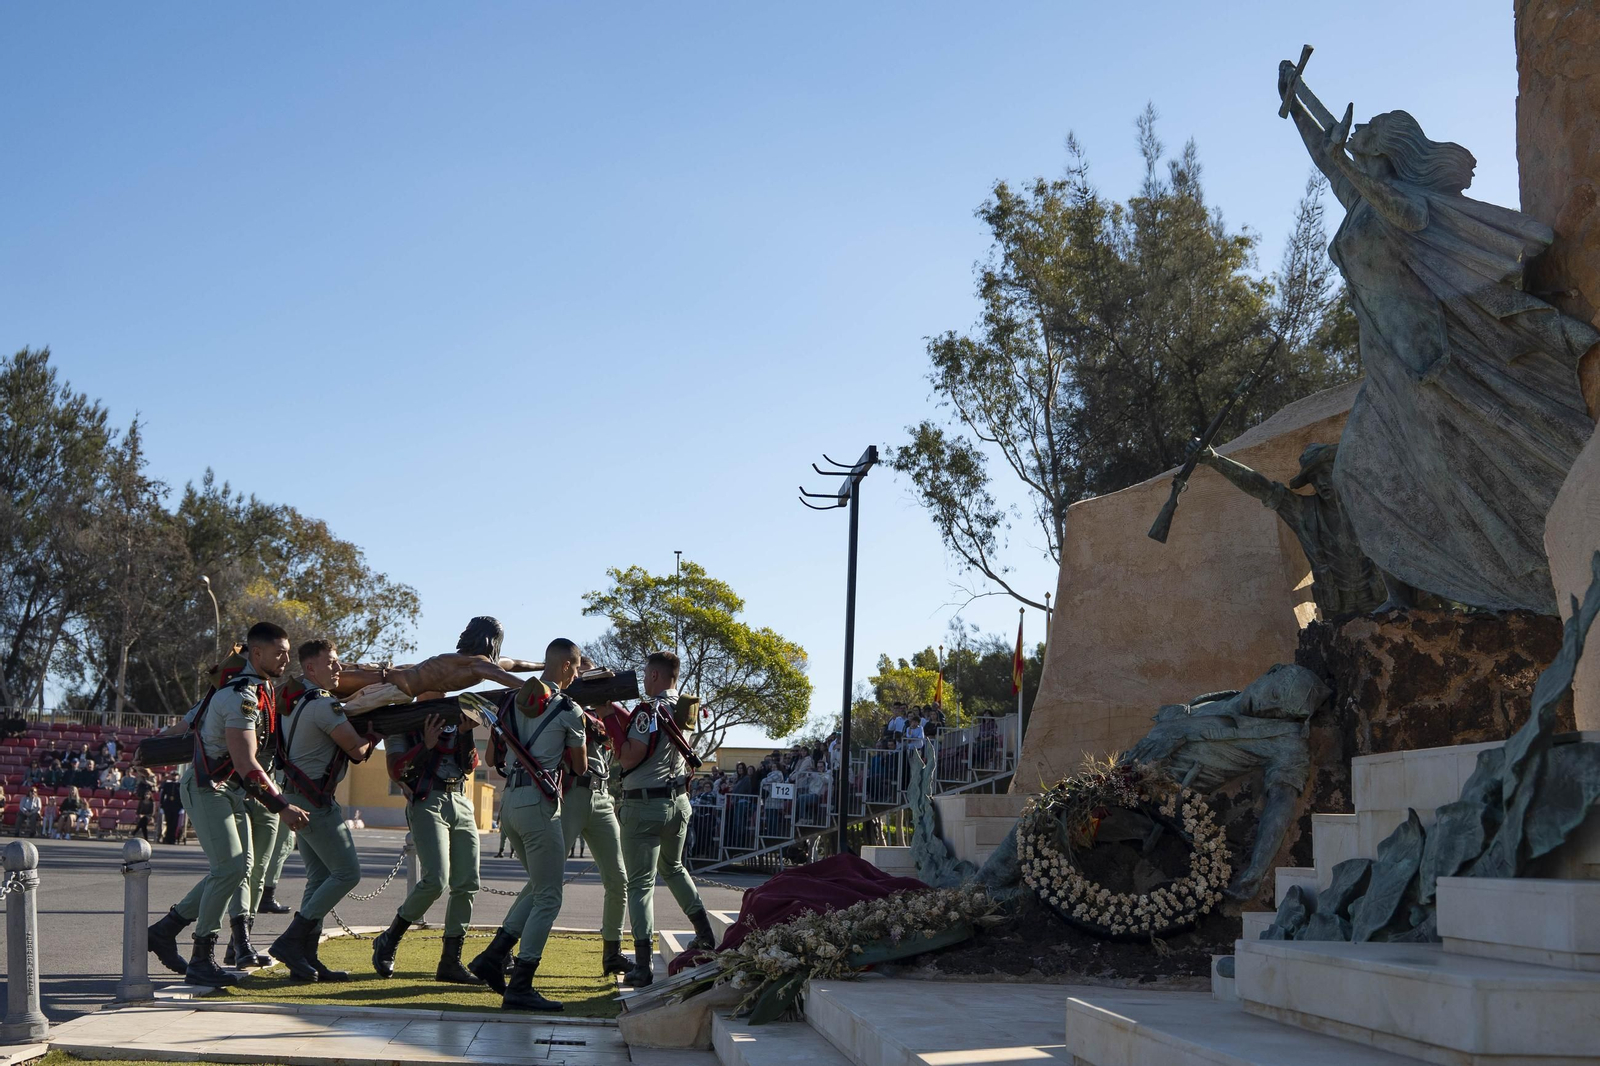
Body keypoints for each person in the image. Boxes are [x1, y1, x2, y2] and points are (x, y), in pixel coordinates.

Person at [146, 622, 310, 987]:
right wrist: (281, 805)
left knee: (237, 869)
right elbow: (245, 762)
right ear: (257, 653)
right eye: (279, 653)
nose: (286, 659)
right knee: (230, 868)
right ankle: (201, 957)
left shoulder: (260, 689)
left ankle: (165, 930)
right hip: (208, 788)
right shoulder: (241, 696)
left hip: (231, 791)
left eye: (287, 653)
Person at [467, 638, 587, 1012]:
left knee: (538, 886)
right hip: (539, 805)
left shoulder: (510, 702)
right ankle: (521, 984)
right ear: (566, 665)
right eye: (576, 668)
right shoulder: (568, 708)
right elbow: (581, 767)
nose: (576, 675)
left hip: (511, 805)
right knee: (550, 896)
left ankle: (493, 956)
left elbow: (492, 757)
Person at [268, 639, 382, 982]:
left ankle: (306, 958)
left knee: (318, 879)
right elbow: (357, 750)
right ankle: (291, 942)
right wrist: (374, 736)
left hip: (296, 796)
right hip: (315, 802)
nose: (338, 668)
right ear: (310, 668)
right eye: (331, 662)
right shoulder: (322, 704)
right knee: (347, 874)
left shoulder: (294, 701)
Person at [617, 651, 716, 988]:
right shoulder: (686, 708)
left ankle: (643, 964)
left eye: (647, 673)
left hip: (645, 805)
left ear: (656, 676)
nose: (644, 679)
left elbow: (630, 757)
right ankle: (704, 933)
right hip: (679, 802)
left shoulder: (649, 711)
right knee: (673, 868)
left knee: (640, 884)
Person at [371, 698, 486, 984]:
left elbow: (470, 765)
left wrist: (465, 733)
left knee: (467, 883)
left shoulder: (455, 717)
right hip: (427, 799)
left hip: (460, 799)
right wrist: (426, 745)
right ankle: (389, 938)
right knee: (436, 879)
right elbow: (397, 770)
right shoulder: (403, 722)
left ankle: (450, 961)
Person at [332, 616, 542, 699]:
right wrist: (544, 665)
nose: (463, 633)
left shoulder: (479, 664)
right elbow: (513, 665)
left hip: (388, 681)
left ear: (481, 636)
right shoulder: (480, 662)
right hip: (391, 673)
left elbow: (502, 673)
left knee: (330, 681)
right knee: (332, 674)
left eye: (468, 630)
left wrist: (533, 688)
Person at [159, 771, 183, 844]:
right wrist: (162, 805)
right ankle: (167, 838)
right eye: (173, 775)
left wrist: (182, 807)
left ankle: (173, 839)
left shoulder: (180, 785)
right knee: (168, 823)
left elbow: (182, 796)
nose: (174, 777)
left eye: (176, 775)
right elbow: (163, 795)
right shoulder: (167, 784)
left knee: (174, 823)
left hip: (177, 806)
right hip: (168, 805)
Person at [133, 774, 155, 841]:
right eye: (145, 794)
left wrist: (145, 816)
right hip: (141, 816)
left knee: (143, 820)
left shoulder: (152, 803)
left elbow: (152, 812)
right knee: (143, 824)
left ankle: (135, 831)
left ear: (150, 795)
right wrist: (139, 814)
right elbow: (138, 810)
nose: (146, 796)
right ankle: (146, 838)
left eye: (148, 795)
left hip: (148, 817)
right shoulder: (141, 801)